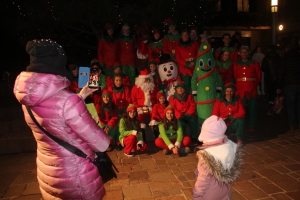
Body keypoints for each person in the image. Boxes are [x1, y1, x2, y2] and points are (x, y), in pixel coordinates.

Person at [13, 39, 110, 199]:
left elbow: (53, 116)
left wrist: (81, 96)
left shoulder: (27, 100)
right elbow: (102, 144)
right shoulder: (68, 101)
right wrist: (90, 118)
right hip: (76, 176)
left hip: (49, 171)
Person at [193, 115, 243, 200]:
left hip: (210, 195)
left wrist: (196, 195)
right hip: (226, 192)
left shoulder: (207, 155)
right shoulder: (231, 146)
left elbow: (203, 181)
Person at [234, 45, 261, 132]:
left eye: (246, 52)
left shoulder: (255, 63)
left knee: (253, 109)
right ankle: (240, 125)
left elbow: (259, 76)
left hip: (252, 89)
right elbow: (235, 77)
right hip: (240, 90)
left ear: (248, 53)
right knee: (240, 109)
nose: (244, 54)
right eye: (242, 52)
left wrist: (253, 85)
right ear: (239, 54)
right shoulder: (236, 64)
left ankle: (251, 125)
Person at [277, 42, 300, 132]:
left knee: (290, 105)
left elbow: (281, 73)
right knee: (298, 105)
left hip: (289, 84)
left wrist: (278, 86)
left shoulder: (285, 59)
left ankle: (291, 124)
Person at [131, 69, 159, 142]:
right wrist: (138, 107)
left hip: (151, 107)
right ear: (141, 80)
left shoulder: (154, 87)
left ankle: (157, 138)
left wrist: (155, 107)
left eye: (149, 79)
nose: (148, 81)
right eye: (146, 80)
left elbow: (157, 99)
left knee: (155, 118)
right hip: (140, 108)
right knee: (139, 119)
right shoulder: (135, 89)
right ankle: (142, 139)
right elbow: (133, 100)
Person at [175, 29, 199, 93]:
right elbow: (178, 58)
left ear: (188, 36)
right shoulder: (178, 46)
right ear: (181, 36)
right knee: (187, 87)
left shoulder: (195, 44)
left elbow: (199, 54)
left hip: (195, 68)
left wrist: (194, 61)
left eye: (186, 35)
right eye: (183, 35)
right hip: (184, 70)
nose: (185, 36)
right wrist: (186, 64)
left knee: (196, 85)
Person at [261, 45, 281, 115]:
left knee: (270, 94)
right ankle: (278, 108)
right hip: (277, 78)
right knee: (277, 93)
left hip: (269, 78)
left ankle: (271, 108)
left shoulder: (266, 58)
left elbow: (263, 68)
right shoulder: (278, 57)